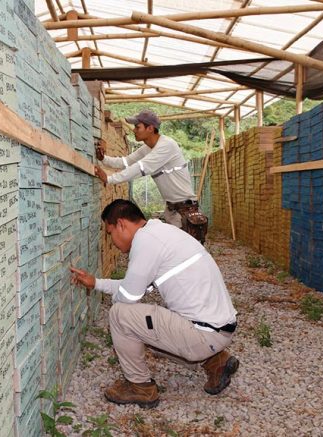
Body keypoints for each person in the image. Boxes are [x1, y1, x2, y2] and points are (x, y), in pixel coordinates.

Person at [70, 199, 239, 408]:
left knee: (120, 314)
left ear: (121, 224)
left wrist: (117, 296)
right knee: (145, 326)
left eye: (110, 233)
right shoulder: (160, 234)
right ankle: (216, 362)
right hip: (219, 330)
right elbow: (135, 286)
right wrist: (95, 283)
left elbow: (129, 297)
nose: (112, 241)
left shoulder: (146, 241)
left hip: (204, 335)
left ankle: (140, 387)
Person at [95, 109, 208, 243]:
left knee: (184, 252)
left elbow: (141, 167)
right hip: (172, 210)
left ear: (150, 128)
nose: (134, 130)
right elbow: (126, 162)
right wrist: (103, 159)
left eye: (137, 127)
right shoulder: (147, 148)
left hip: (185, 211)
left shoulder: (166, 146)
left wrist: (109, 179)